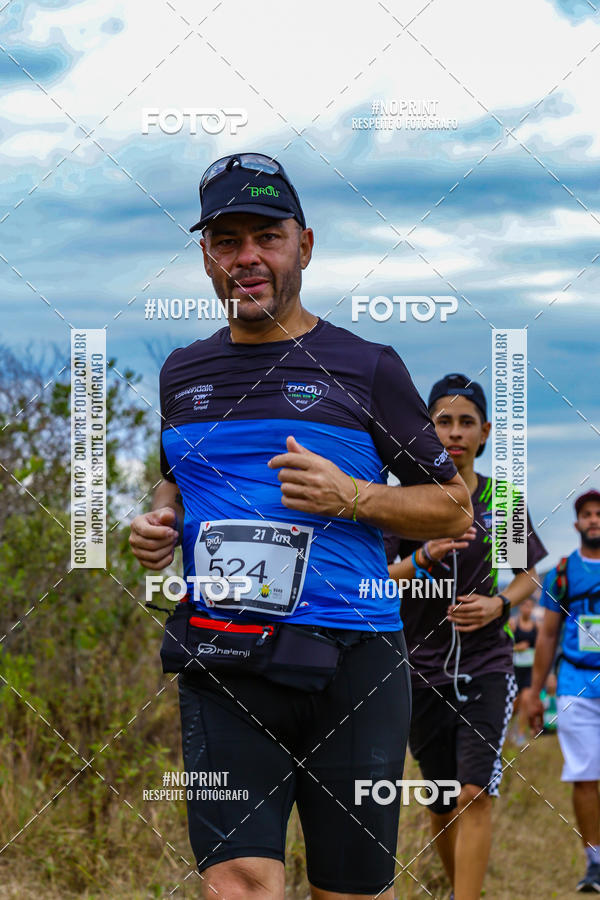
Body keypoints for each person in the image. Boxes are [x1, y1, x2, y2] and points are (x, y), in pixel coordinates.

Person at [129, 153, 473, 900]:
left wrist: (354, 496)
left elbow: (454, 506)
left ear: (304, 246)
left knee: (347, 891)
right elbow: (176, 475)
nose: (247, 257)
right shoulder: (182, 373)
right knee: (241, 881)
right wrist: (163, 518)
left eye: (267, 237)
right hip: (225, 657)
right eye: (227, 241)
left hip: (354, 663)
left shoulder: (366, 366)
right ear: (207, 257)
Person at [385, 372, 546, 900]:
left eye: (467, 422)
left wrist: (500, 603)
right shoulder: (405, 501)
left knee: (474, 792)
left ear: (485, 432)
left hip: (487, 664)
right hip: (420, 670)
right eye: (443, 421)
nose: (455, 432)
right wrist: (423, 557)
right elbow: (378, 580)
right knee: (441, 802)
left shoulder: (501, 500)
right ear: (426, 430)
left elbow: (528, 574)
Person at [528, 489, 600, 893]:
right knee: (585, 775)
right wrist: (534, 692)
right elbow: (547, 635)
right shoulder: (561, 572)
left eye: (599, 514)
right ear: (576, 523)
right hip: (575, 685)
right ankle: (595, 862)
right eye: (587, 514)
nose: (594, 520)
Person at [509, 595, 538, 745]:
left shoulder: (536, 627)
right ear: (520, 607)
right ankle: (509, 726)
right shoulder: (513, 624)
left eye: (530, 606)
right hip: (515, 669)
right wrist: (517, 648)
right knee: (515, 703)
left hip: (529, 669)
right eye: (524, 605)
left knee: (526, 700)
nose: (527, 609)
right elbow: (505, 646)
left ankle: (520, 733)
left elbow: (540, 648)